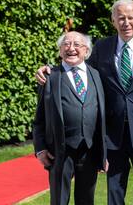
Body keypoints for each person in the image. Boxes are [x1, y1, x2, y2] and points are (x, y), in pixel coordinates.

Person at [36, 0, 133, 205]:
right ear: (113, 21)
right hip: (112, 137)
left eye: (130, 17)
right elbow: (75, 67)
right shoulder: (102, 48)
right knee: (114, 194)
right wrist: (49, 69)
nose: (126, 22)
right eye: (120, 18)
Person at [33, 31, 108, 205]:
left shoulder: (96, 75)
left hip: (89, 150)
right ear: (60, 50)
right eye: (66, 44)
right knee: (59, 200)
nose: (71, 48)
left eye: (77, 45)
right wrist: (40, 148)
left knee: (86, 200)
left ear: (86, 51)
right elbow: (39, 118)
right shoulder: (50, 77)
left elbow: (102, 115)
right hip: (59, 152)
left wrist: (103, 151)